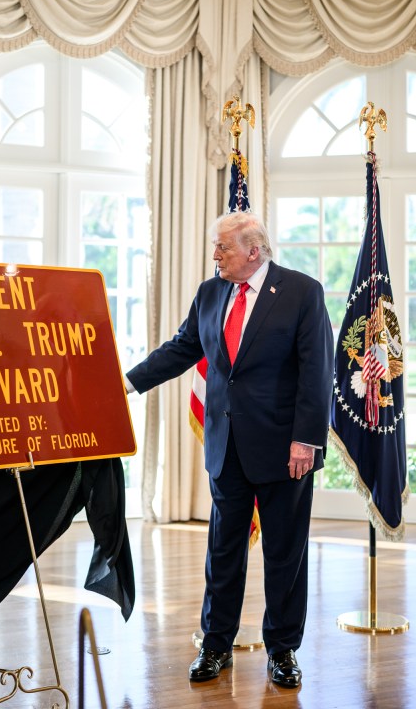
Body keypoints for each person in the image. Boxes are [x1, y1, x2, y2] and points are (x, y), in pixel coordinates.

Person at [126, 211, 332, 688]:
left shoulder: (302, 292)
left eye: (223, 248)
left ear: (253, 251)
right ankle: (216, 644)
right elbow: (181, 350)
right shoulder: (210, 292)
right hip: (226, 446)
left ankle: (283, 651)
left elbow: (316, 372)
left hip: (285, 450)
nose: (215, 255)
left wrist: (306, 439)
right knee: (223, 550)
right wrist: (127, 385)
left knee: (284, 552)